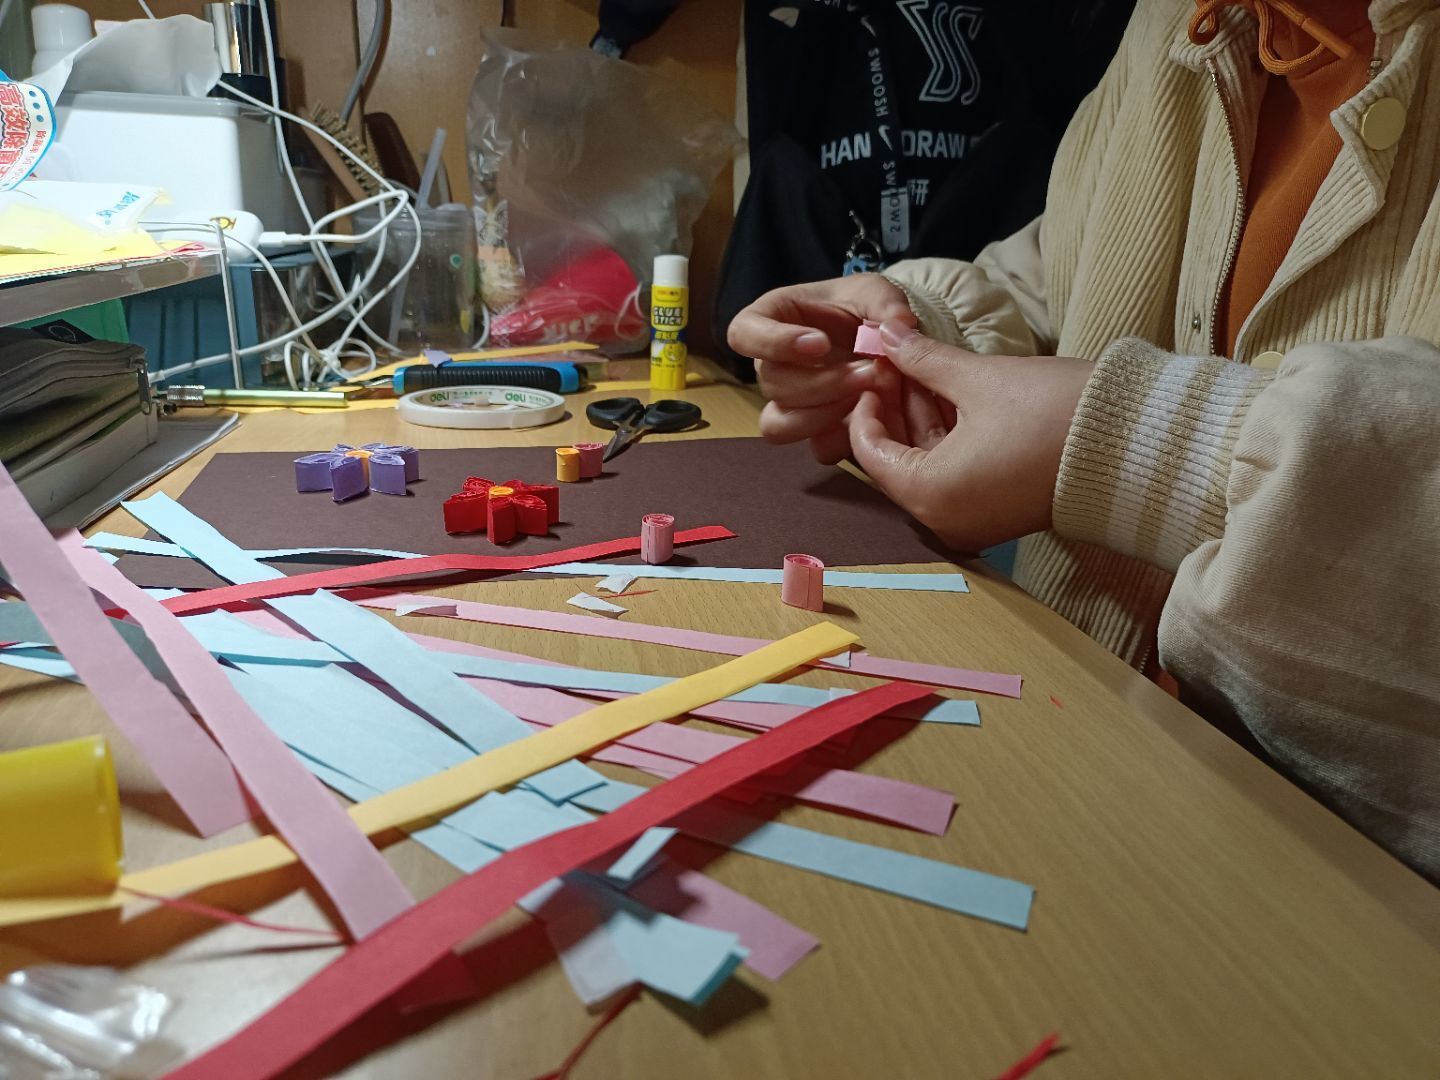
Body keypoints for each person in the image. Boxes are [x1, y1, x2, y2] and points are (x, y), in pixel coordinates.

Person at [727, 0, 1440, 883]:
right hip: (1080, 758)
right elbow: (1060, 274)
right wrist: (911, 333)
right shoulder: (1180, 23)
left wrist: (1140, 444)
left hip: (1351, 896)